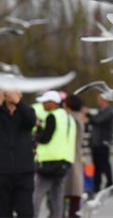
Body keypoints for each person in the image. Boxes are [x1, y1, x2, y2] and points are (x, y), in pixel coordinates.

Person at [0, 89, 37, 217]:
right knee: (1, 211)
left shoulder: (26, 111)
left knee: (25, 211)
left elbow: (31, 121)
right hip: (1, 171)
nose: (10, 93)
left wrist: (18, 102)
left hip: (24, 171)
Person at [34, 90, 75, 218]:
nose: (43, 105)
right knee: (57, 196)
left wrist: (38, 130)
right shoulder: (69, 117)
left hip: (49, 161)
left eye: (45, 102)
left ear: (53, 103)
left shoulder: (52, 116)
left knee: (37, 194)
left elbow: (45, 138)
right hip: (65, 162)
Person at [86, 92, 113, 193]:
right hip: (96, 143)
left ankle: (110, 183)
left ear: (105, 100)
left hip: (103, 142)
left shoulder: (109, 111)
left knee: (105, 164)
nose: (98, 101)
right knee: (97, 166)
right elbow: (94, 122)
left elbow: (98, 121)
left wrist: (88, 115)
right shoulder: (100, 111)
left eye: (99, 99)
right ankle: (97, 185)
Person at [64, 94, 86, 218]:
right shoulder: (79, 118)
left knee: (67, 191)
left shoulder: (71, 118)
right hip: (76, 156)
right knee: (74, 191)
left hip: (70, 157)